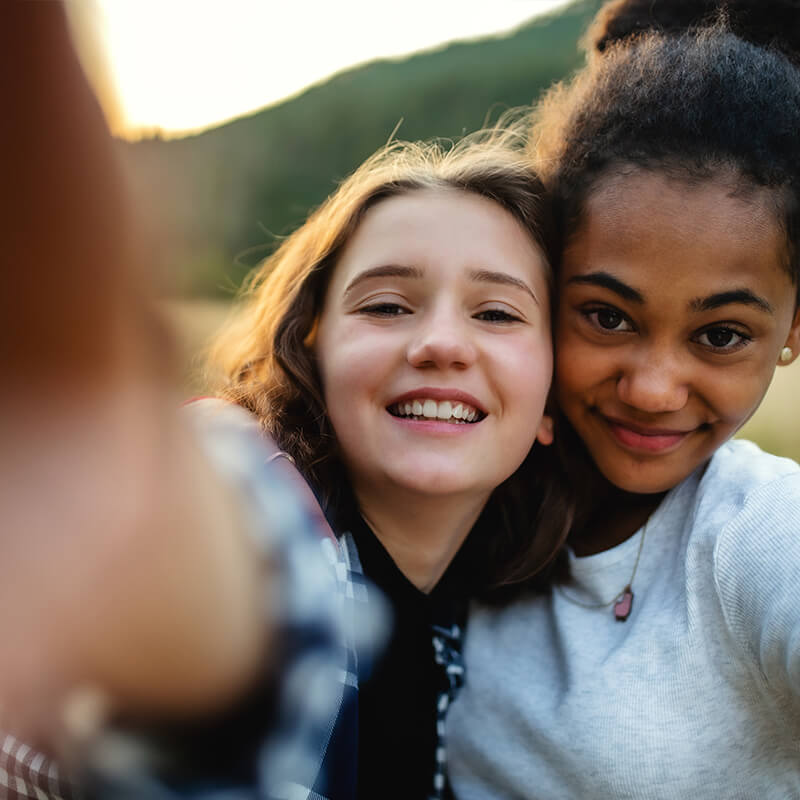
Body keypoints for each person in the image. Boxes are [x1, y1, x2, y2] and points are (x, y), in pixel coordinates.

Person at [1, 3, 570, 798]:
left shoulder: (482, 622)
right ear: (310, 348)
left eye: (497, 313)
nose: (440, 343)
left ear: (553, 397)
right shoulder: (256, 507)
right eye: (386, 305)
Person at [447, 1, 800, 797]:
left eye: (721, 335)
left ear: (792, 328)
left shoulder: (761, 532)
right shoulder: (470, 481)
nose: (651, 389)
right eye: (607, 316)